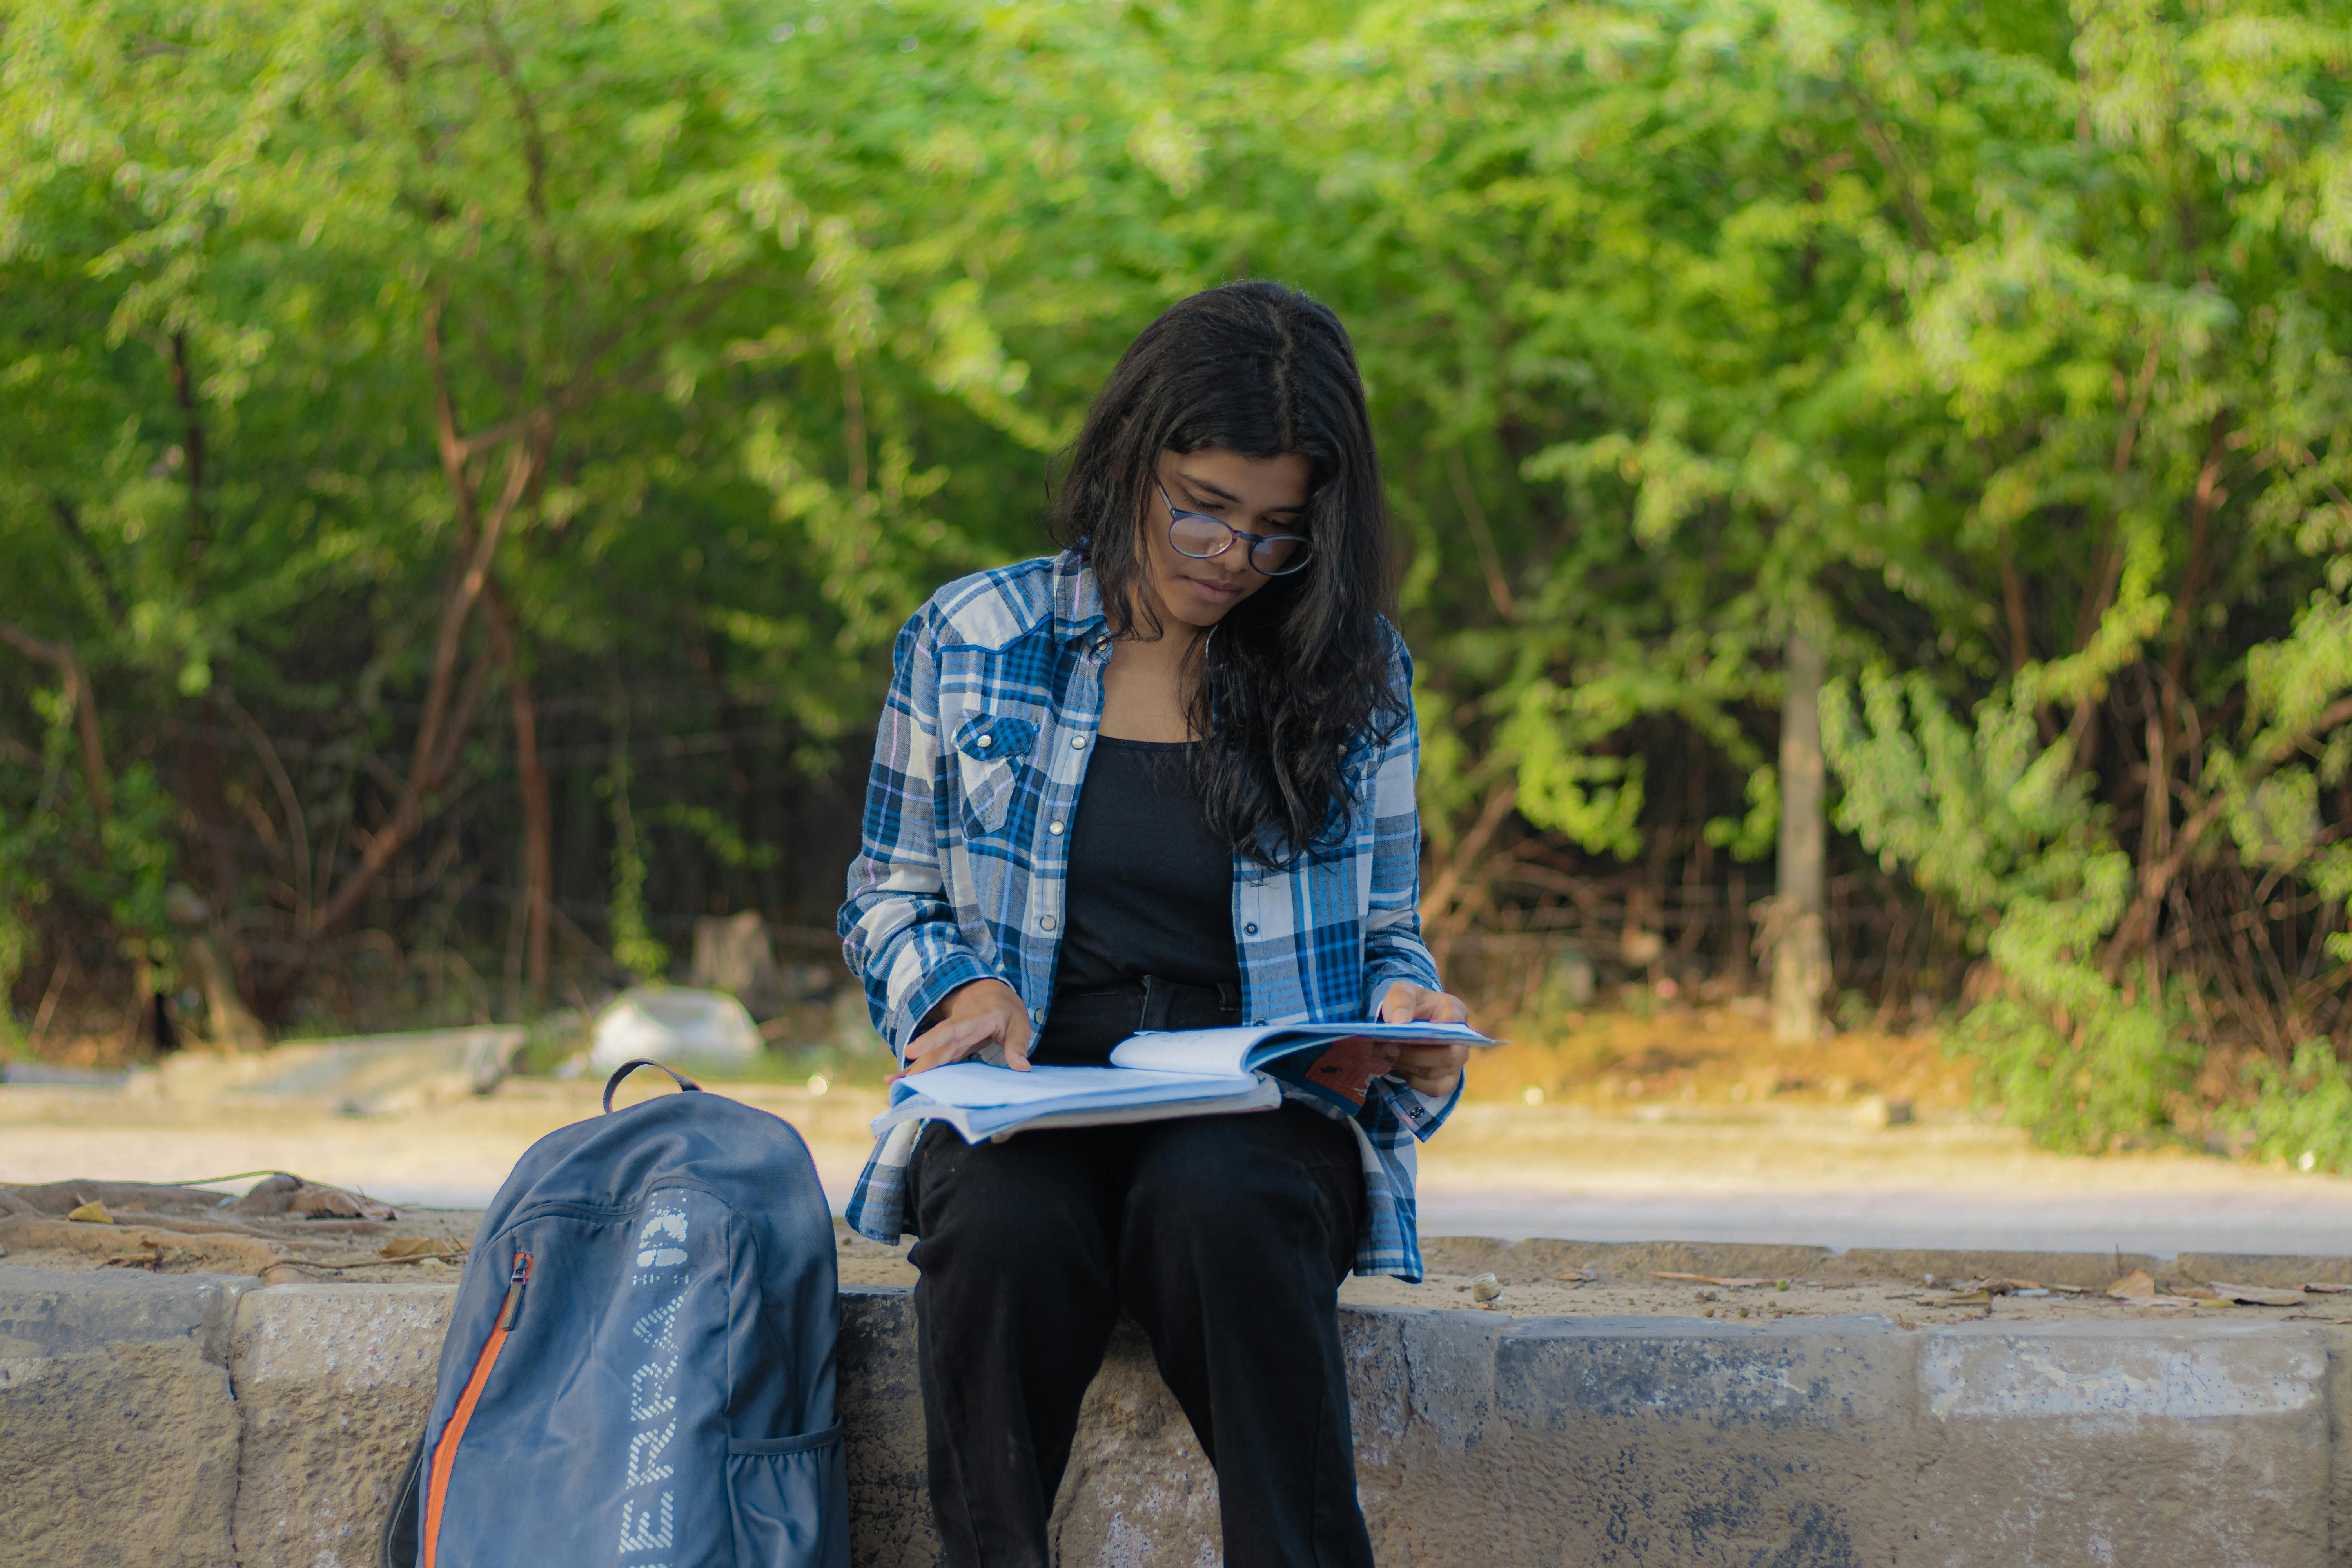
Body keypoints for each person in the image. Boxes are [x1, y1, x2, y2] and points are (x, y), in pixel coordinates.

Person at [838, 280, 1470, 1568]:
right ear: (1132, 452)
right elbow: (886, 890)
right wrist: (953, 991)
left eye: (1277, 531)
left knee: (1221, 1207)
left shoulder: (1354, 675)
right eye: (1203, 505)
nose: (1230, 556)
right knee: (1002, 1231)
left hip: (1250, 1112)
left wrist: (1410, 1019)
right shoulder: (972, 637)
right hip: (1033, 1091)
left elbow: (1392, 935)